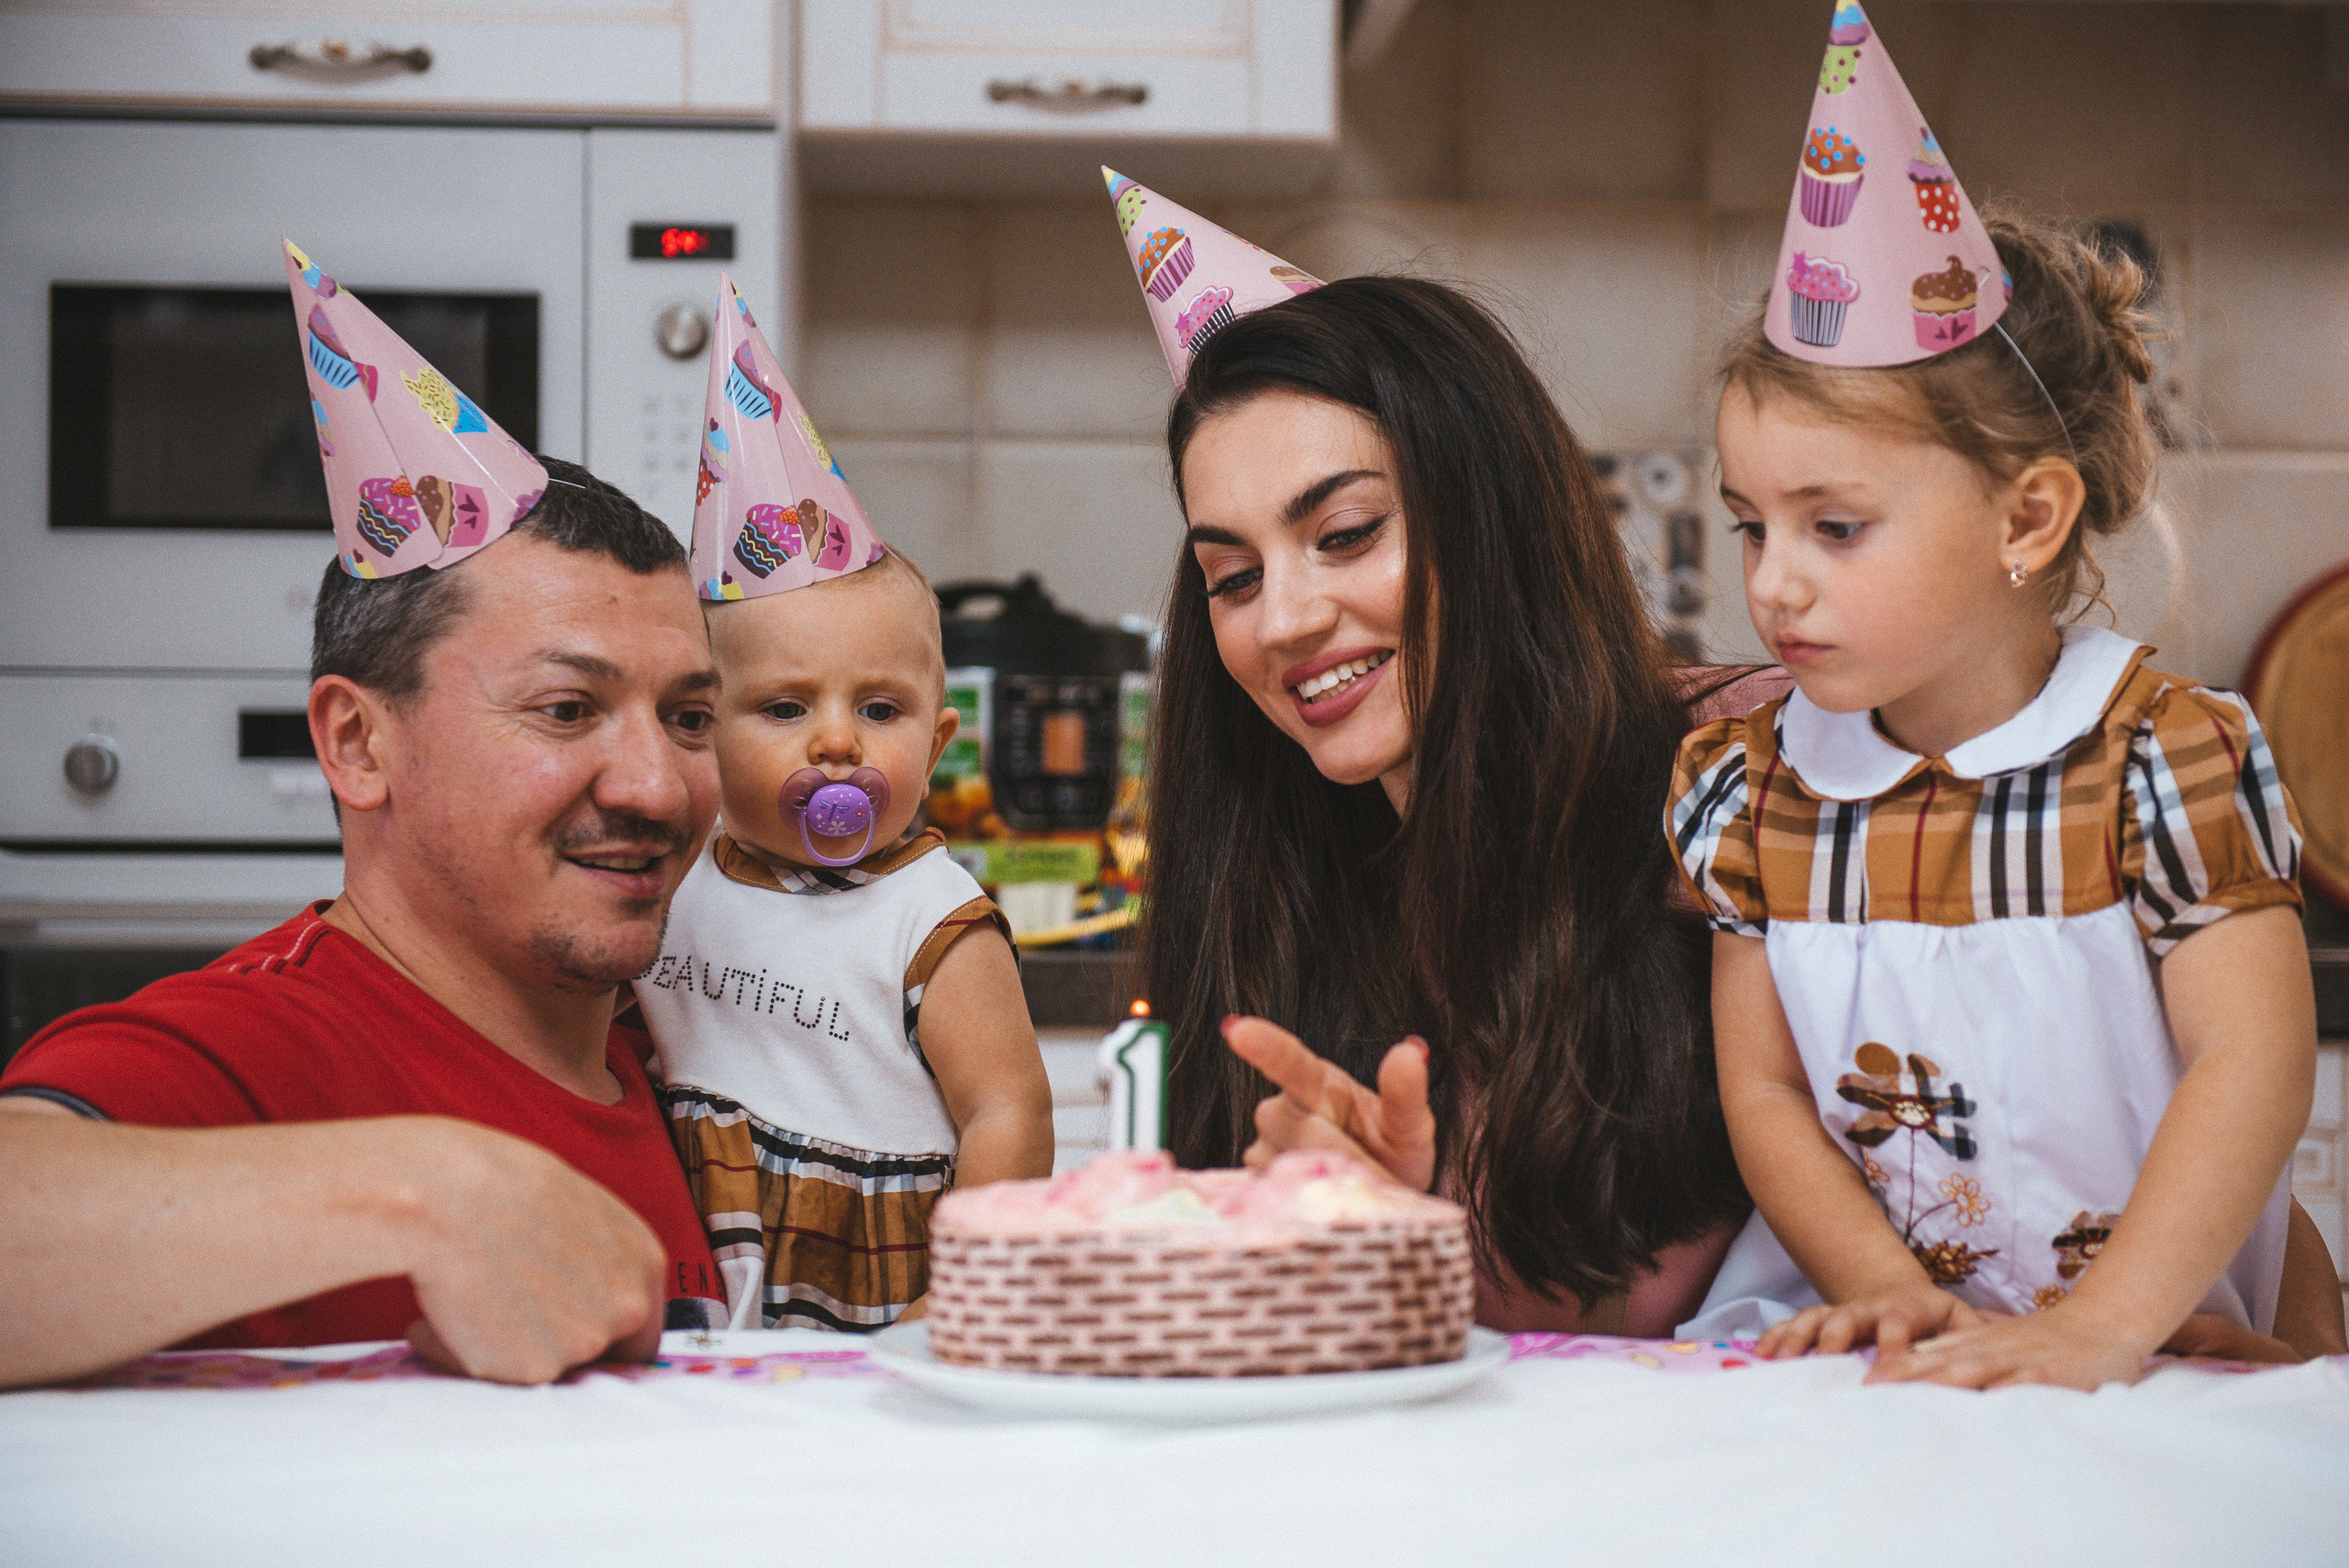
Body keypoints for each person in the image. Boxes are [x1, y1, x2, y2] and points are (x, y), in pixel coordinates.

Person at [0, 245, 729, 1388]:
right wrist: (426, 1192)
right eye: (566, 707)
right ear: (357, 742)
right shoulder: (262, 1046)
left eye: (689, 718)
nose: (656, 784)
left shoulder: (698, 1055)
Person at [1672, 203, 2347, 1386]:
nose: (1772, 582)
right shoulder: (1756, 793)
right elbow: (1766, 1089)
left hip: (2151, 1344)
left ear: (2026, 516)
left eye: (1833, 526)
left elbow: (2253, 1062)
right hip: (1873, 1350)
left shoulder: (2160, 761)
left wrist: (2104, 1324)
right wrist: (1889, 1299)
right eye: (1749, 525)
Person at [1133, 269, 1764, 1335]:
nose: (1281, 620)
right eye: (1233, 576)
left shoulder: (1747, 770)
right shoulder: (1271, 878)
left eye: (1343, 534)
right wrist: (1380, 1235)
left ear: (1494, 511)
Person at [635, 284, 1051, 1331]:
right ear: (703, 730)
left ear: (937, 743)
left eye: (879, 707)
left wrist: (967, 1296)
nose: (836, 740)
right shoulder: (669, 874)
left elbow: (1007, 1108)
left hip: (878, 1279)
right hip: (690, 1242)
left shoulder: (932, 918)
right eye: (784, 707)